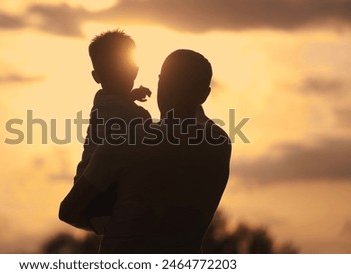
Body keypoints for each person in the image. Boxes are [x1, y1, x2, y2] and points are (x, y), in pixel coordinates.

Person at [60, 49, 231, 253]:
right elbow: (195, 121)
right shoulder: (219, 144)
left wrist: (114, 224)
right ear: (204, 94)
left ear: (162, 84)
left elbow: (68, 211)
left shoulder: (127, 140)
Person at [74, 30, 152, 225]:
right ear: (135, 70)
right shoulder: (135, 115)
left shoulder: (101, 101)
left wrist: (132, 96)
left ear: (96, 76)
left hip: (87, 184)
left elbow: (116, 97)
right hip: (101, 192)